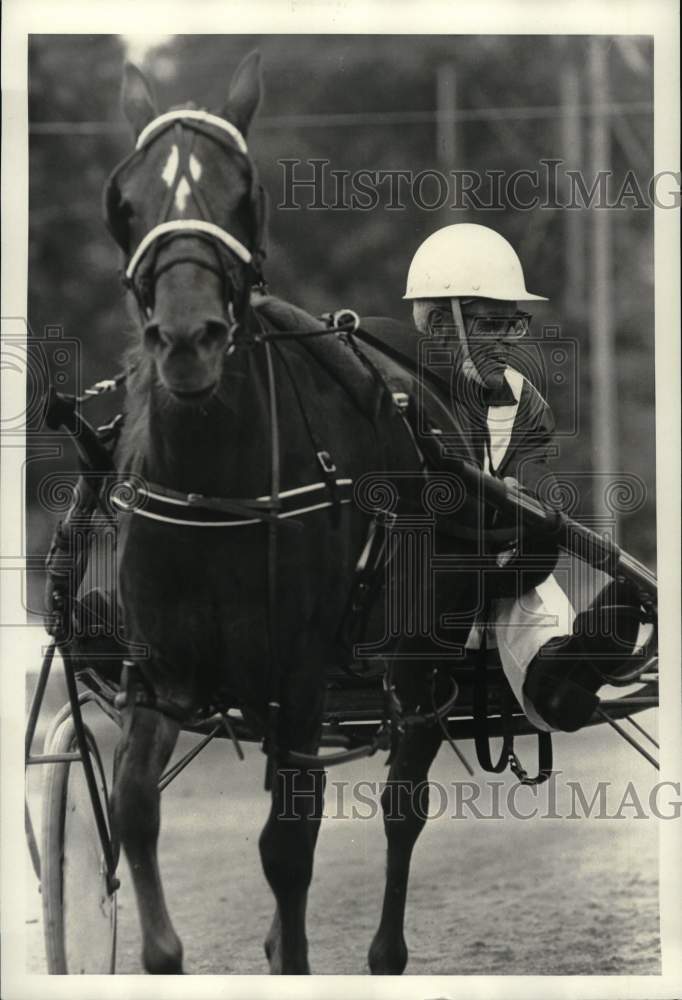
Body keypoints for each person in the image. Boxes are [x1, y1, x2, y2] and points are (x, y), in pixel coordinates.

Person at [403, 223, 642, 732]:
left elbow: (532, 495)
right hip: (409, 585)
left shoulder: (523, 400)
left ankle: (573, 669)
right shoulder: (397, 395)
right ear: (443, 326)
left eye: (514, 325)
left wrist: (530, 533)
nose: (511, 342)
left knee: (531, 593)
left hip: (494, 581)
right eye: (492, 325)